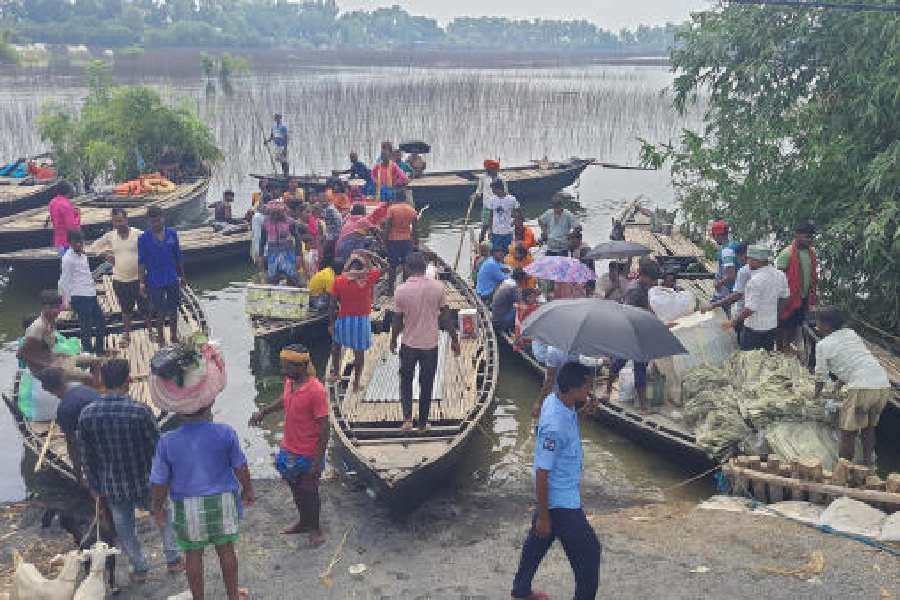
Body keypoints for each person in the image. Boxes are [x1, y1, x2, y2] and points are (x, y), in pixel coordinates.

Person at [78, 359, 182, 583]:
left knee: (125, 528)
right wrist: (169, 477)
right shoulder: (140, 412)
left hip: (113, 485)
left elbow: (87, 457)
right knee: (163, 515)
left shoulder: (87, 414)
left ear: (103, 382)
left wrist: (95, 487)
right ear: (128, 381)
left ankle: (140, 568)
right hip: (146, 481)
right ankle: (173, 560)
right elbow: (158, 448)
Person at [511, 362, 601, 600]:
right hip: (561, 500)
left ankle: (521, 591)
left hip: (560, 492)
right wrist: (544, 515)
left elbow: (567, 426)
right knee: (590, 553)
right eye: (586, 387)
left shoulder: (559, 400)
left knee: (538, 541)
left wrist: (584, 412)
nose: (589, 391)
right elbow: (542, 472)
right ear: (572, 388)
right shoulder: (554, 424)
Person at [150, 406, 255, 600]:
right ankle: (233, 596)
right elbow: (240, 466)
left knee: (193, 554)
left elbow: (160, 481)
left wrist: (157, 507)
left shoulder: (167, 441)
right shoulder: (225, 432)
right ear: (209, 404)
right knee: (226, 550)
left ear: (178, 409)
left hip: (187, 505)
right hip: (222, 501)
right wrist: (247, 489)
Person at [250, 345, 328, 546]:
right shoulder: (290, 383)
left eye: (287, 367)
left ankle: (315, 528)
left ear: (301, 366)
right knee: (295, 487)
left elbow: (324, 428)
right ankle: (303, 521)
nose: (283, 370)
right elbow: (284, 401)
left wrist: (317, 461)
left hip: (308, 453)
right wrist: (264, 412)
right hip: (289, 448)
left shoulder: (316, 390)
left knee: (310, 491)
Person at [390, 252, 460, 432]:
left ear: (407, 268)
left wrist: (392, 340)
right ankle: (422, 424)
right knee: (426, 384)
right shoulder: (438, 288)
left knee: (405, 380)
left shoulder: (401, 290)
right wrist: (454, 338)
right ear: (424, 267)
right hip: (430, 345)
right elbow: (445, 317)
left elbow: (397, 320)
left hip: (409, 344)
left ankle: (407, 419)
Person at [812, 307, 891, 466]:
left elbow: (820, 376)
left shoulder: (822, 345)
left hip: (862, 387)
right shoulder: (850, 333)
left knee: (848, 432)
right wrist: (838, 385)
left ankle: (844, 470)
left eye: (818, 321)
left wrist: (815, 396)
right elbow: (854, 359)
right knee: (869, 427)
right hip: (882, 383)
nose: (816, 324)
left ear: (827, 325)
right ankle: (869, 465)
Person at [606, 260, 660, 413]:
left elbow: (647, 308)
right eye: (653, 279)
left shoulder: (643, 288)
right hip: (630, 335)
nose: (654, 282)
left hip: (638, 334)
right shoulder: (634, 290)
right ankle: (609, 391)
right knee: (622, 364)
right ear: (643, 276)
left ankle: (641, 404)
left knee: (638, 367)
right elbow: (629, 313)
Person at [328, 250, 385, 392]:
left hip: (344, 320)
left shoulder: (339, 280)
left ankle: (335, 373)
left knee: (336, 347)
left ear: (348, 268)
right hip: (361, 322)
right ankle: (356, 383)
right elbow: (386, 267)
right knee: (359, 354)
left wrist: (331, 323)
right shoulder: (368, 278)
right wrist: (372, 256)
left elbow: (332, 304)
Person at [88, 208, 142, 345]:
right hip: (120, 280)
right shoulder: (110, 236)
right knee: (125, 310)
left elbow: (151, 247)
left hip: (139, 279)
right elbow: (93, 247)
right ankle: (127, 334)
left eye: (120, 220)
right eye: (115, 221)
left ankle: (150, 330)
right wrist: (105, 255)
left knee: (146, 308)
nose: (118, 224)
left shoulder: (138, 234)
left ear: (126, 219)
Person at [724, 245, 789, 352]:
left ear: (756, 260)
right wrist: (776, 315)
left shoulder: (755, 281)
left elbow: (750, 308)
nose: (747, 261)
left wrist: (733, 321)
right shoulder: (780, 275)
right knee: (766, 359)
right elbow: (785, 298)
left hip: (753, 329)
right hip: (771, 326)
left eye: (749, 259)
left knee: (749, 360)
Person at [43, 366, 100, 485]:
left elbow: (72, 444)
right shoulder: (87, 390)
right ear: (64, 380)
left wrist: (78, 473)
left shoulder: (64, 410)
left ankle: (96, 493)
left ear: (47, 389)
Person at [139, 206, 185, 343]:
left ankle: (174, 336)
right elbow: (141, 262)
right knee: (160, 311)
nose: (156, 224)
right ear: (148, 222)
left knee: (173, 309)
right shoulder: (143, 238)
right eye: (153, 222)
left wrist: (182, 276)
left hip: (171, 277)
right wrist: (141, 282)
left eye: (158, 221)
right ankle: (160, 337)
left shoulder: (172, 234)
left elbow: (178, 256)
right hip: (154, 279)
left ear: (163, 219)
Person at [59, 230, 107, 354]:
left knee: (101, 321)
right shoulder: (67, 259)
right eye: (76, 243)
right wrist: (66, 301)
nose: (79, 245)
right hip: (79, 296)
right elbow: (64, 281)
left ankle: (99, 349)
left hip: (90, 293)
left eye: (81, 242)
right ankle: (88, 353)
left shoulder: (83, 254)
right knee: (86, 327)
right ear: (69, 243)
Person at [776, 222, 817, 352]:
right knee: (783, 324)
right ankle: (780, 348)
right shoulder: (787, 253)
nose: (809, 240)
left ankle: (787, 347)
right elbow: (778, 278)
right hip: (788, 298)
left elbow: (812, 275)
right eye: (806, 237)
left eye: (811, 237)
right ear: (797, 235)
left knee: (795, 324)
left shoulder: (811, 253)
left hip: (802, 297)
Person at [383, 194, 419, 295]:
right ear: (405, 199)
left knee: (392, 265)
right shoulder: (412, 210)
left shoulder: (392, 209)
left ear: (396, 198)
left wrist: (385, 241)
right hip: (407, 240)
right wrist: (416, 242)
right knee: (406, 265)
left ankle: (390, 290)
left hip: (393, 240)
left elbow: (388, 226)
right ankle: (406, 289)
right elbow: (415, 229)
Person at [261, 202, 303, 286]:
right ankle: (272, 293)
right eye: (273, 212)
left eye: (278, 212)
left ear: (283, 211)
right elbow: (262, 240)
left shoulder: (290, 222)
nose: (276, 215)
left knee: (291, 276)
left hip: (288, 253)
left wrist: (298, 255)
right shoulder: (266, 223)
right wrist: (260, 255)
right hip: (272, 253)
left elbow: (298, 239)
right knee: (272, 277)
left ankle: (293, 292)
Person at [702, 243, 749, 317]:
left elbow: (736, 295)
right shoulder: (762, 269)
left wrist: (714, 305)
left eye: (738, 258)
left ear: (744, 255)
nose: (739, 261)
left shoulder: (745, 271)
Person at [481, 179, 520, 255]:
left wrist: (514, 222)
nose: (492, 191)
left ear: (499, 188)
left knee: (508, 252)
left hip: (507, 232)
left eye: (493, 189)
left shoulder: (511, 199)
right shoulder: (492, 200)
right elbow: (491, 216)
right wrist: (490, 230)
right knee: (495, 252)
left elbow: (518, 213)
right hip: (496, 232)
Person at [710, 220, 741, 306]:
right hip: (736, 290)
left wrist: (718, 283)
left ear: (717, 235)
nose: (713, 238)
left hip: (727, 293)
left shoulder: (727, 250)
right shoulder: (735, 245)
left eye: (713, 235)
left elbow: (731, 275)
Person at [475, 159, 506, 235]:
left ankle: (491, 242)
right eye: (488, 169)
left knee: (495, 227)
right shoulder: (483, 178)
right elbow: (479, 191)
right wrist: (475, 196)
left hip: (498, 206)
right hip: (487, 206)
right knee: (485, 226)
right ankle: (481, 242)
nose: (489, 171)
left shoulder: (501, 178)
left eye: (493, 169)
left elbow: (505, 192)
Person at [47, 191, 81, 255]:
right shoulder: (65, 205)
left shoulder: (53, 202)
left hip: (58, 240)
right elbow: (72, 226)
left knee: (63, 262)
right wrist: (77, 215)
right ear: (68, 192)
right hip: (67, 242)